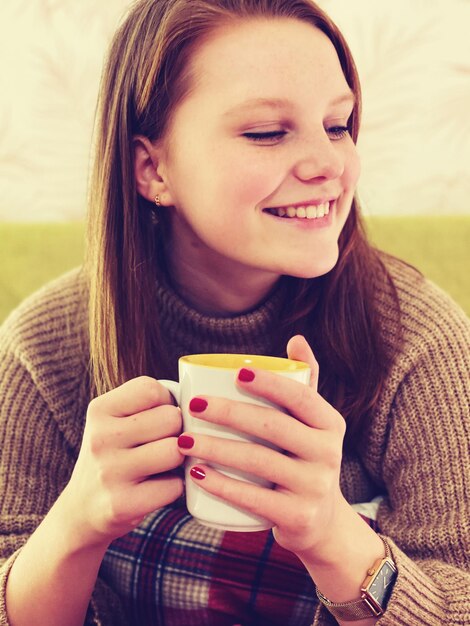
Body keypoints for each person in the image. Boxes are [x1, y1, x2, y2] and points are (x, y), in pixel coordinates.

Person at [0, 0, 468, 624]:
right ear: (152, 168)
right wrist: (76, 528)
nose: (329, 165)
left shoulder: (418, 341)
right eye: (267, 132)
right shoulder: (41, 350)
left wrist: (333, 535)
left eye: (338, 125)